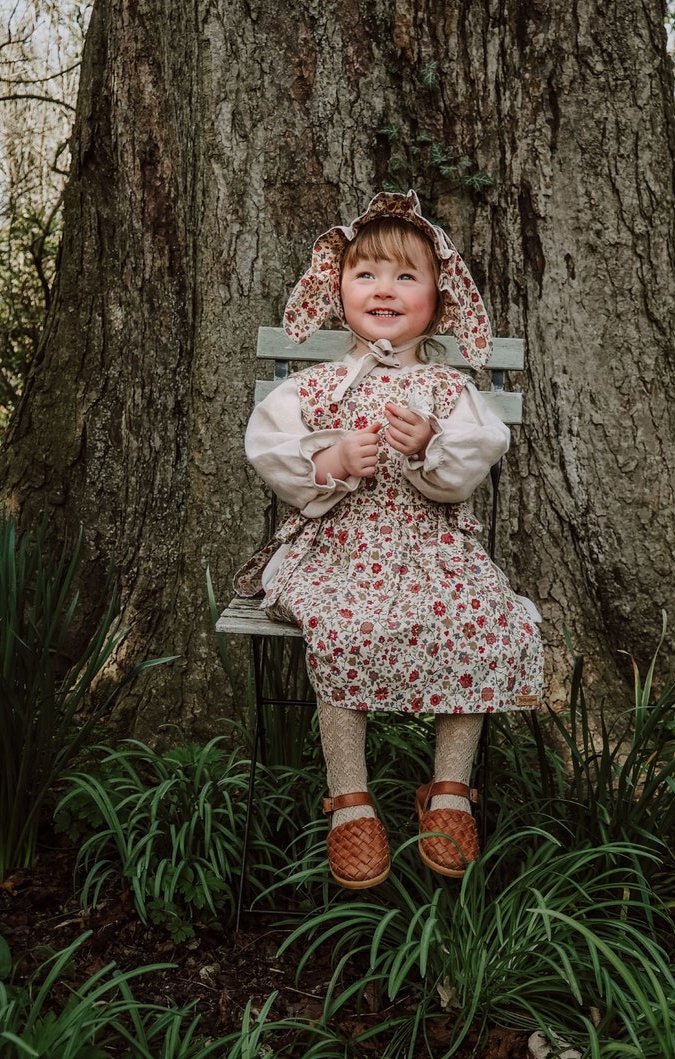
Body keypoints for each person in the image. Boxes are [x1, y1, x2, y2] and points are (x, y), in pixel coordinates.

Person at [234, 190, 544, 889]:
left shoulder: (445, 386)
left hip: (430, 549)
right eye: (366, 273)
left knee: (484, 622)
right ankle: (350, 797)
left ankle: (449, 789)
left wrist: (435, 445)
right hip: (341, 548)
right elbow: (267, 444)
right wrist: (332, 461)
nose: (385, 289)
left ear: (438, 296)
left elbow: (480, 448)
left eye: (406, 276)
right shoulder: (315, 387)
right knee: (342, 625)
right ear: (336, 287)